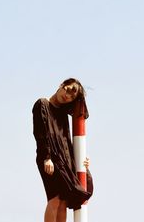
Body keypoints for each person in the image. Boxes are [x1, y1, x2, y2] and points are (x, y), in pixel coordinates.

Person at [32, 78, 93, 222]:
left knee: (64, 202)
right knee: (55, 199)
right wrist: (47, 157)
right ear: (62, 85)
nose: (68, 96)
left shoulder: (63, 114)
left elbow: (67, 141)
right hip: (49, 158)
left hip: (63, 160)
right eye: (68, 90)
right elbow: (40, 133)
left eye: (72, 96)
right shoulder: (42, 104)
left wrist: (79, 160)